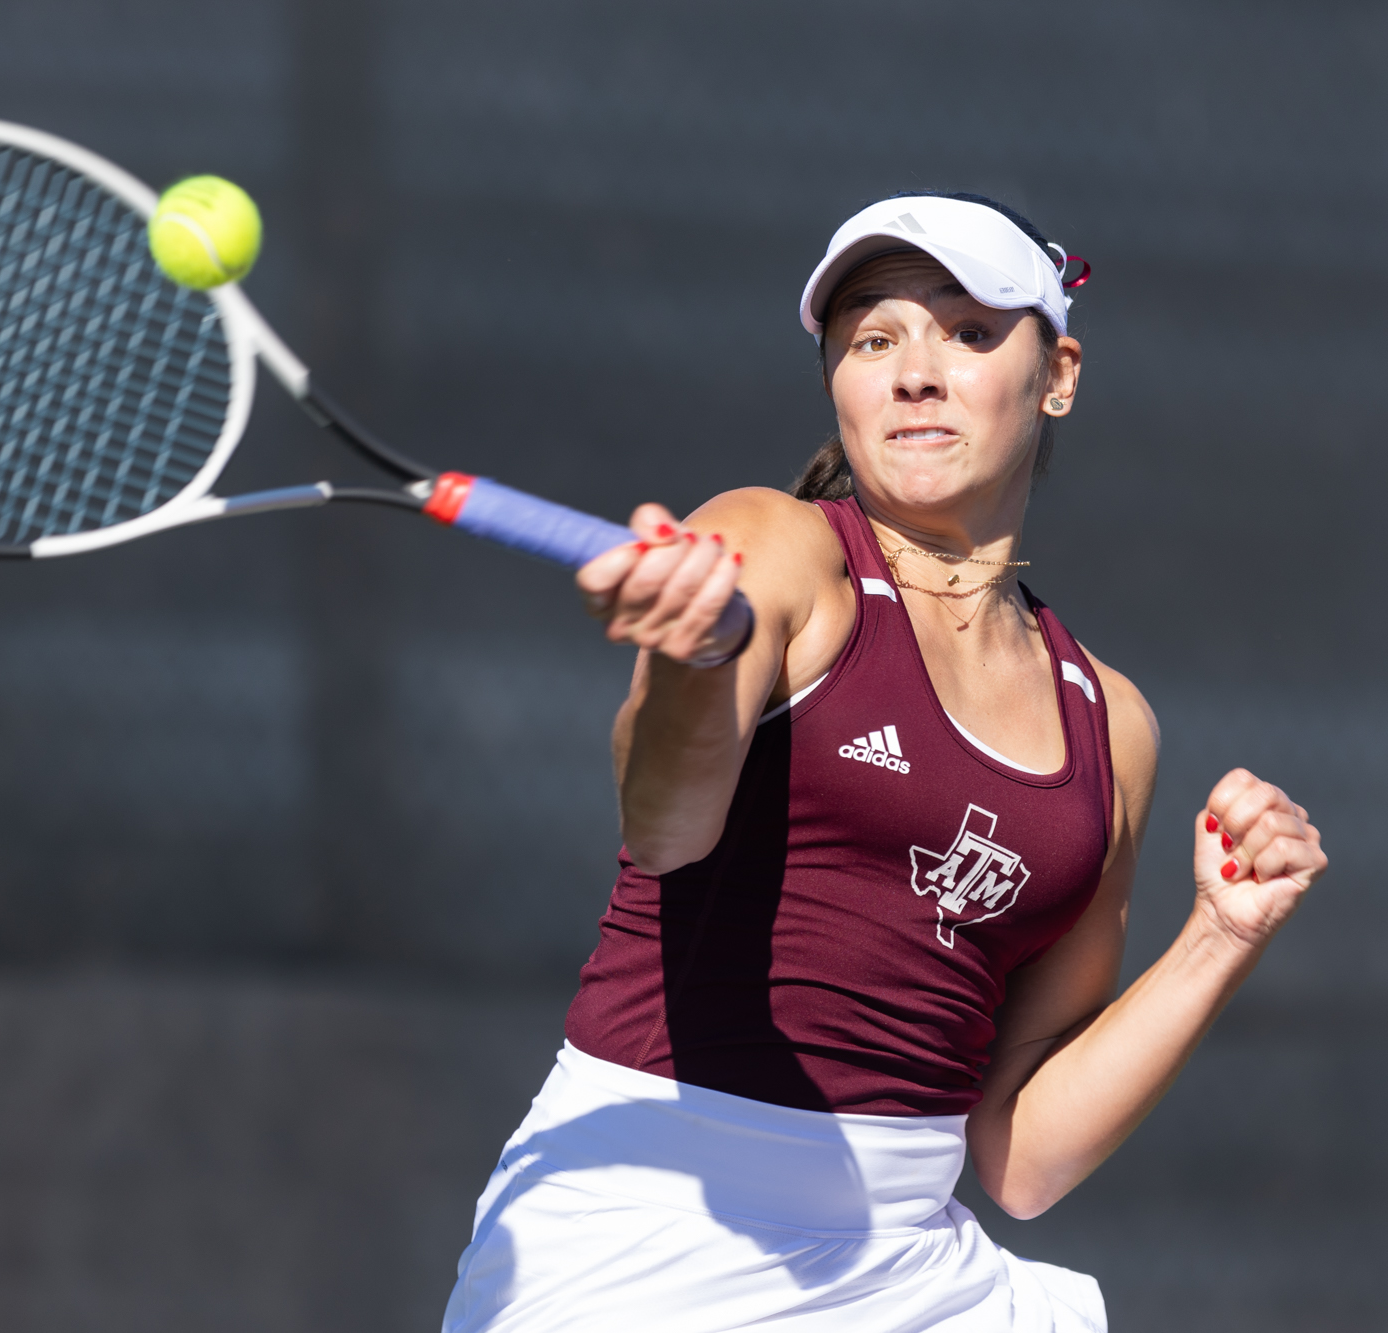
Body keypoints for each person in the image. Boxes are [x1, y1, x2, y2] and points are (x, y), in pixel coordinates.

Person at [441, 193, 1328, 1333]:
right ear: (837, 385)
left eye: (964, 331)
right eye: (871, 338)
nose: (913, 371)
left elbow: (1017, 1157)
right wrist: (687, 666)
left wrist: (1220, 936)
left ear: (1056, 373)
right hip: (644, 1228)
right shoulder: (774, 543)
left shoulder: (1111, 724)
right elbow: (662, 822)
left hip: (905, 1267)